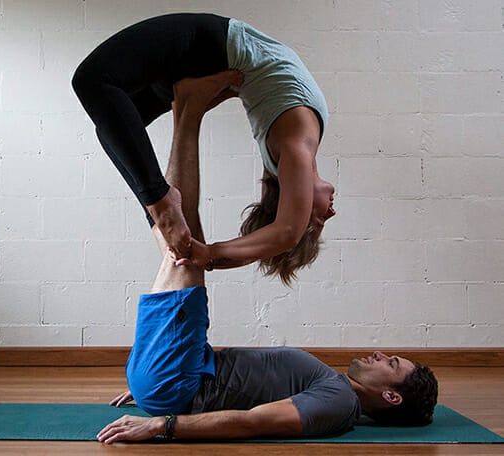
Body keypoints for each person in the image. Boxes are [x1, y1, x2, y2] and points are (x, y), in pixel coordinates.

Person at [95, 74, 438, 444]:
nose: (379, 353)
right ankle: (180, 111)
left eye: (391, 364)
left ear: (391, 396)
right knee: (176, 238)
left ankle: (187, 108)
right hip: (179, 371)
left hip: (178, 379)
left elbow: (253, 422)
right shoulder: (333, 384)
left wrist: (163, 422)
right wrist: (156, 383)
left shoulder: (338, 403)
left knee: (182, 237)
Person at [72, 13, 336, 285]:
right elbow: (279, 233)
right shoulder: (285, 159)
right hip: (207, 62)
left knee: (94, 86)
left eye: (316, 222)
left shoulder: (296, 150)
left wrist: (210, 253)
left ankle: (160, 206)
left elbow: (287, 232)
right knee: (113, 124)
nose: (330, 213)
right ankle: (158, 212)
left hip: (211, 47)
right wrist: (211, 257)